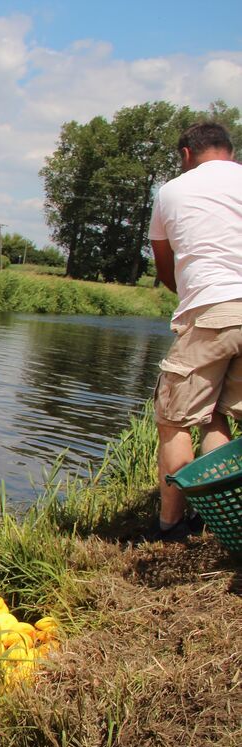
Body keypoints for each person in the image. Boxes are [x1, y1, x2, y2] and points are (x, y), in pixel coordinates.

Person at [149, 122, 242, 539]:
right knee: (218, 414)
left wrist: (185, 294)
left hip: (212, 309)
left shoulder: (172, 190)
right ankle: (217, 519)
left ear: (187, 154)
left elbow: (164, 263)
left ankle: (171, 526)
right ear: (229, 151)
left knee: (175, 420)